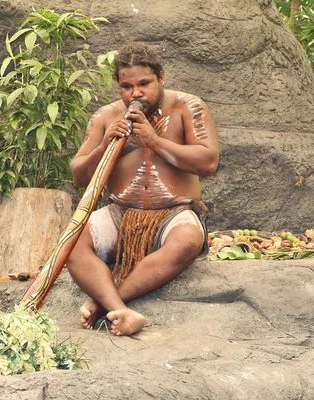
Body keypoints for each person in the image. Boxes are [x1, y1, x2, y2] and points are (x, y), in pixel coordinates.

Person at [66, 42, 219, 336]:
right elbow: (79, 176)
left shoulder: (188, 107)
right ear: (118, 87)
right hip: (119, 213)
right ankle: (120, 311)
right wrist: (103, 147)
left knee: (187, 240)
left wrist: (154, 140)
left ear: (161, 78)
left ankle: (106, 304)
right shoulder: (105, 117)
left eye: (144, 84)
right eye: (127, 86)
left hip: (175, 213)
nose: (135, 93)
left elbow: (209, 162)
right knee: (72, 239)